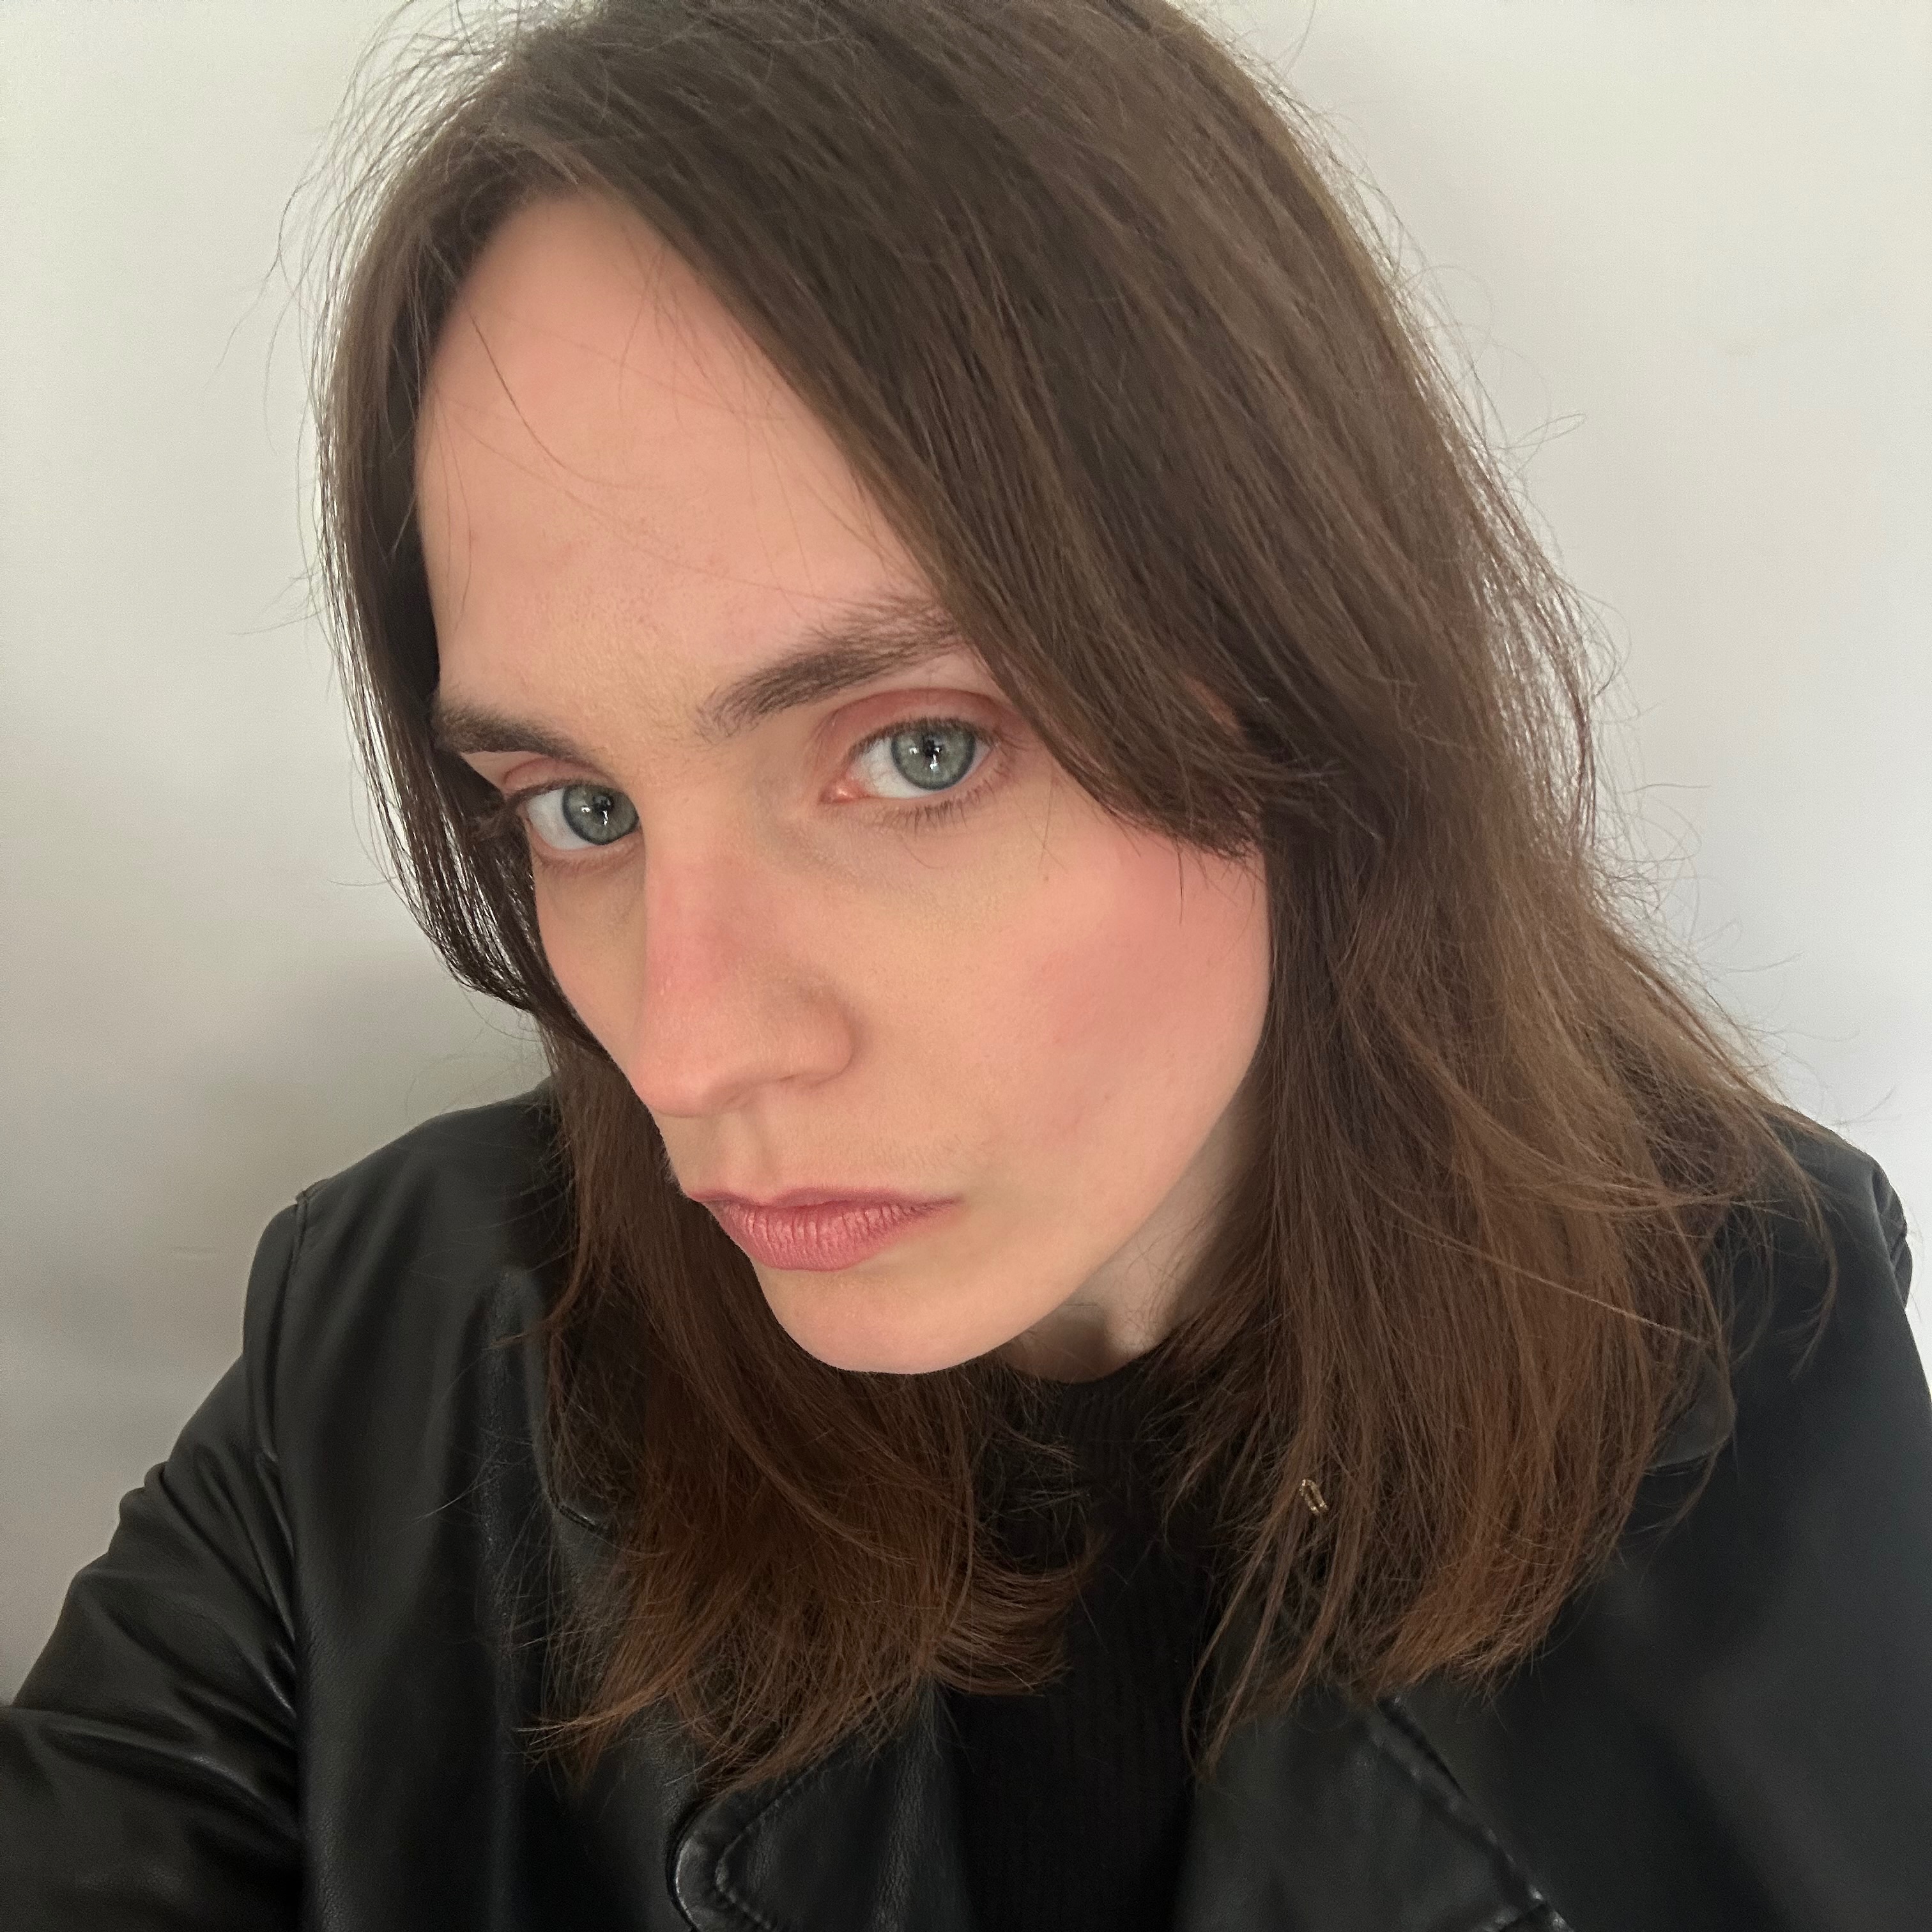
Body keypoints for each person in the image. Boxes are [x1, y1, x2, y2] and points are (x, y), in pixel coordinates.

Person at [3, 3, 1928, 1927]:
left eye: (920, 751)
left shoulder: (1747, 1355)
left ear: (1314, 674)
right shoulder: (397, 1354)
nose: (689, 1047)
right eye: (581, 808)